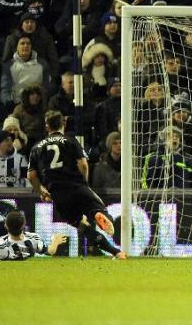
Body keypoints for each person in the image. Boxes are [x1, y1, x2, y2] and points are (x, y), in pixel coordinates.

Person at [27, 111, 124, 259]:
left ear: (47, 126)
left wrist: (42, 191)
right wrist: (84, 184)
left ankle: (115, 252)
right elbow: (83, 164)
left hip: (58, 195)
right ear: (63, 124)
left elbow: (31, 175)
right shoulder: (70, 141)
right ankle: (100, 215)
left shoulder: (36, 148)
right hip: (77, 186)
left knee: (82, 226)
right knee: (97, 208)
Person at [0, 178, 66, 260]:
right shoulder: (33, 239)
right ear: (23, 226)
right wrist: (55, 241)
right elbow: (50, 251)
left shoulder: (2, 249)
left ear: (5, 225)